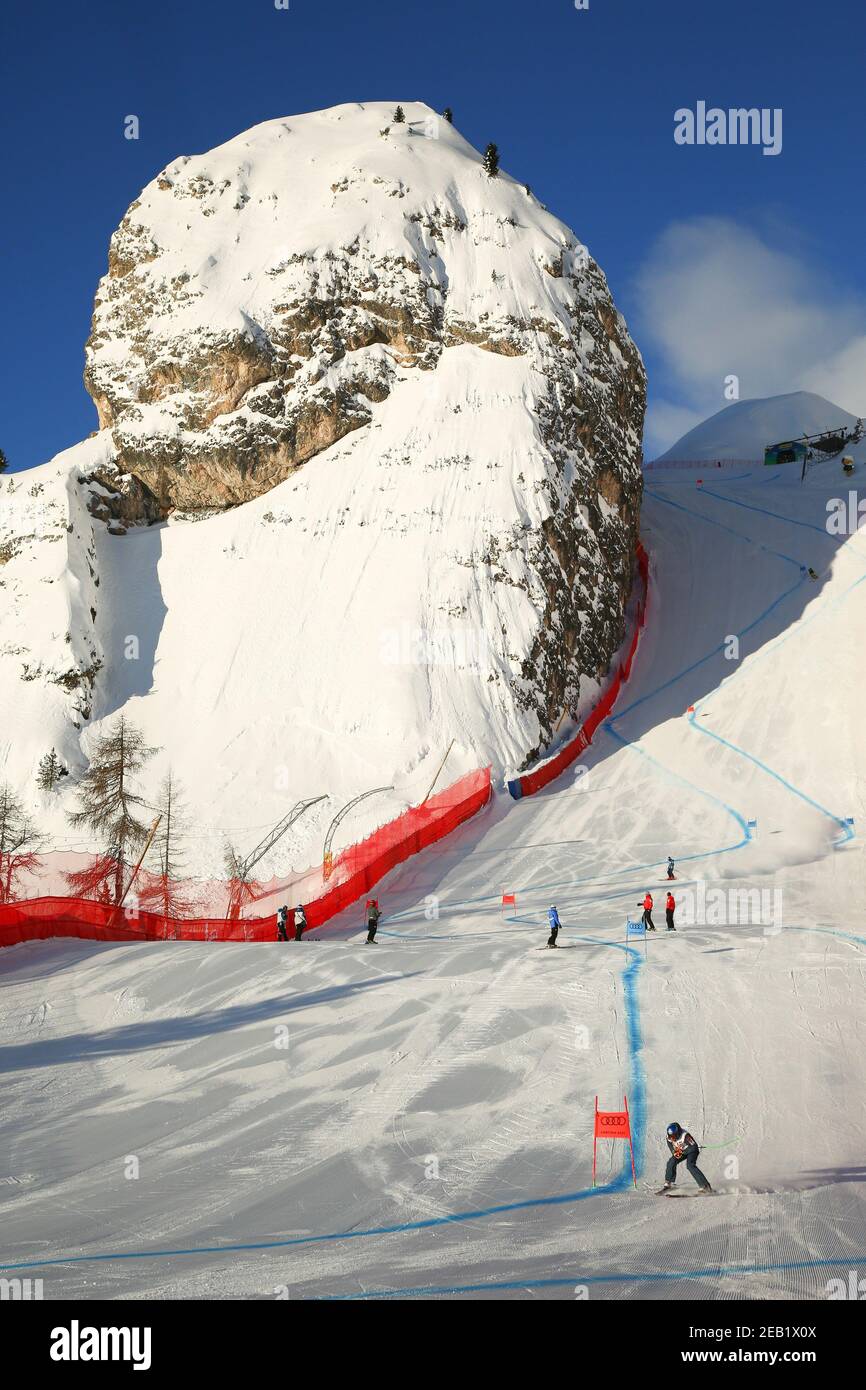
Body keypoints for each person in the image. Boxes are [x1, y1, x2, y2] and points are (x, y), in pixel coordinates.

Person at [660, 1122, 712, 1193]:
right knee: (671, 1161)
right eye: (671, 1136)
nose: (673, 1138)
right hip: (681, 1151)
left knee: (690, 1165)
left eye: (674, 1136)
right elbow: (670, 1146)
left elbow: (693, 1147)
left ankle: (705, 1186)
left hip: (692, 1151)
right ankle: (669, 1183)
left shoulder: (685, 1136)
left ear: (678, 1133)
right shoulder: (669, 1137)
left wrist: (683, 1150)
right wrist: (674, 1152)